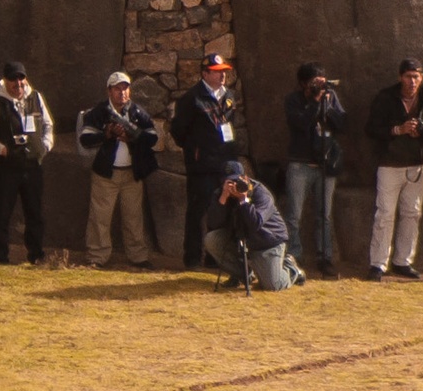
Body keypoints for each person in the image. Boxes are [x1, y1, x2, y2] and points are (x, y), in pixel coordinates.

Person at [76, 70, 157, 269]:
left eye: (125, 88)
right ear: (109, 91)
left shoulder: (137, 112)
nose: (122, 93)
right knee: (100, 217)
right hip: (105, 173)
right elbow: (85, 138)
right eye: (117, 89)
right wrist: (107, 134)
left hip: (132, 173)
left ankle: (138, 257)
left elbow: (153, 136)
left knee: (134, 217)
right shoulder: (99, 112)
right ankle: (97, 257)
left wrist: (133, 136)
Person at [363, 60, 423, 277]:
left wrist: (420, 132)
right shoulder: (385, 98)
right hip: (390, 164)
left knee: (412, 213)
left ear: (421, 78)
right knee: (384, 214)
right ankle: (378, 263)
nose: (412, 81)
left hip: (416, 165)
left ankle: (403, 260)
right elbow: (371, 128)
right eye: (408, 76)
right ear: (400, 77)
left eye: (416, 76)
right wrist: (397, 130)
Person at [172, 53, 239, 272]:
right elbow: (178, 131)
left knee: (220, 210)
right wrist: (196, 151)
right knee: (197, 211)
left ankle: (215, 257)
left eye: (224, 72)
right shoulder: (191, 98)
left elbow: (230, 126)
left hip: (224, 163)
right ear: (204, 73)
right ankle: (192, 258)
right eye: (217, 72)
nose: (222, 76)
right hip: (201, 165)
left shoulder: (229, 95)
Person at [0, 62, 53, 262]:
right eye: (13, 79)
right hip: (7, 169)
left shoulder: (36, 97)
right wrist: (2, 149)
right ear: (5, 81)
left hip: (33, 167)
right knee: (2, 214)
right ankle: (0, 258)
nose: (18, 83)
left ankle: (36, 255)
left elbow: (48, 125)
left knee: (35, 213)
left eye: (21, 78)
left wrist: (45, 146)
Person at [279, 65, 344, 275]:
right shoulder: (293, 100)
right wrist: (314, 102)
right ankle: (293, 256)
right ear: (303, 83)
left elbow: (342, 124)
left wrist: (327, 105)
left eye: (322, 82)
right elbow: (299, 124)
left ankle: (324, 257)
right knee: (294, 215)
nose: (320, 86)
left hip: (325, 165)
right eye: (315, 82)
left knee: (324, 215)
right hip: (300, 164)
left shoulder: (331, 97)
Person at [206, 163, 298, 292]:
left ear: (245, 178)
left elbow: (256, 223)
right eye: (229, 182)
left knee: (272, 285)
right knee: (212, 240)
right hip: (244, 240)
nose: (234, 186)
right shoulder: (221, 193)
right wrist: (223, 199)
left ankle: (291, 268)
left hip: (267, 242)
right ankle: (244, 274)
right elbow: (213, 224)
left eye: (236, 180)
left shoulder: (260, 193)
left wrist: (244, 200)